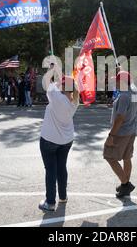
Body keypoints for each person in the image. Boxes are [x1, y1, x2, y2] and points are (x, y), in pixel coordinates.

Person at [38, 68, 79, 212]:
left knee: (51, 170)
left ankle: (50, 202)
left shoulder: (56, 97)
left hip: (49, 139)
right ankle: (63, 196)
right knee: (61, 168)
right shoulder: (74, 102)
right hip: (66, 140)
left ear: (62, 86)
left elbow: (46, 81)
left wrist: (52, 69)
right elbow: (51, 85)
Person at [104, 71, 137, 198]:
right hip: (131, 130)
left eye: (116, 80)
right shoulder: (134, 91)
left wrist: (111, 136)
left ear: (122, 82)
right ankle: (125, 186)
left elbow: (120, 117)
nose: (115, 83)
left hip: (121, 132)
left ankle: (126, 183)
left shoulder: (124, 96)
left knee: (109, 156)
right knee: (126, 157)